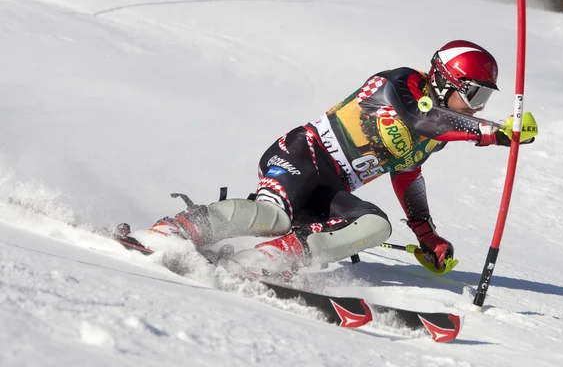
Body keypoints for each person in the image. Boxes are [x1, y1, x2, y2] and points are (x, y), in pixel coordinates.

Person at [122, 40, 534, 278]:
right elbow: (419, 118)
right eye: (474, 95)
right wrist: (494, 133)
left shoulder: (441, 131)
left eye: (484, 100)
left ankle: (265, 261)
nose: (477, 108)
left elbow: (408, 173)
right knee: (275, 217)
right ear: (444, 81)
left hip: (331, 187)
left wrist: (426, 234)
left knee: (374, 223)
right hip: (304, 153)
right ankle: (173, 230)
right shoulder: (399, 84)